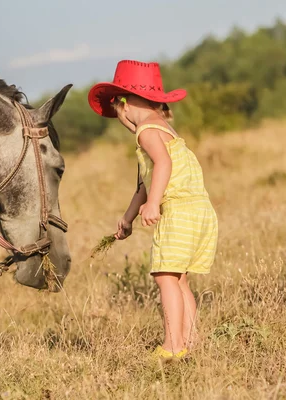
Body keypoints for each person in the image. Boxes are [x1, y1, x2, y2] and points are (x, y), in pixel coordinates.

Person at [88, 60, 218, 361]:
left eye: (115, 112)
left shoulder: (146, 131)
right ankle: (189, 342)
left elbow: (163, 165)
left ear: (123, 104)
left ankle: (173, 346)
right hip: (198, 210)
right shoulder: (163, 128)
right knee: (178, 279)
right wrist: (129, 216)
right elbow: (147, 183)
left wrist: (154, 203)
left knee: (164, 277)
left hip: (179, 210)